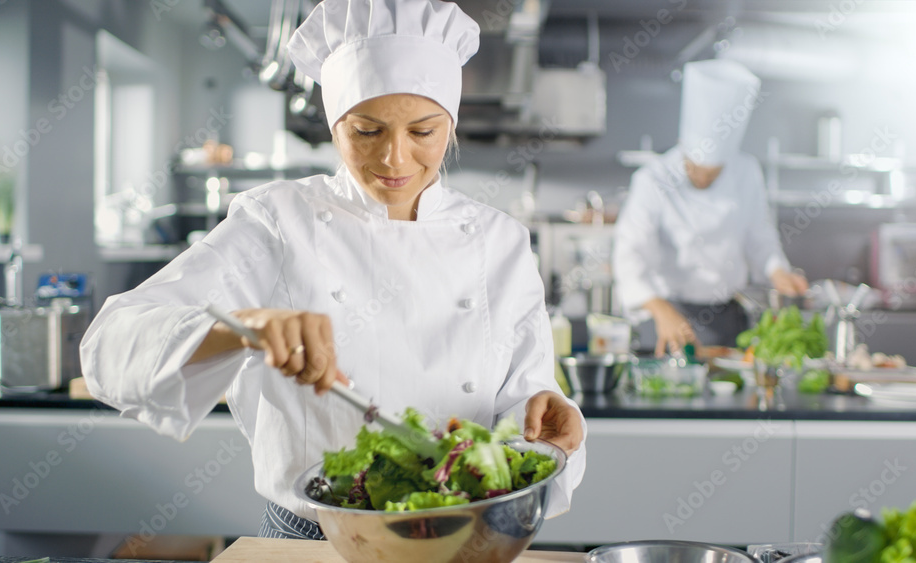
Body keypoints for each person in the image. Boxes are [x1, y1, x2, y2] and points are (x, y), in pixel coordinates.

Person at [80, 0, 586, 541]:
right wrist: (242, 328)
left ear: (452, 124)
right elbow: (108, 348)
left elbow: (524, 405)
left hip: (461, 534)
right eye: (367, 131)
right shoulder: (278, 219)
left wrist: (545, 422)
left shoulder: (499, 239)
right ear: (333, 123)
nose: (395, 159)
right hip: (314, 539)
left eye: (423, 132)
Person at [613, 59, 808, 357]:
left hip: (728, 319)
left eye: (713, 173)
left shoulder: (746, 172)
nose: (703, 178)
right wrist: (659, 308)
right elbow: (629, 254)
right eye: (695, 169)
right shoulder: (653, 179)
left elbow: (760, 237)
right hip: (667, 315)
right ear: (682, 146)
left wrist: (777, 271)